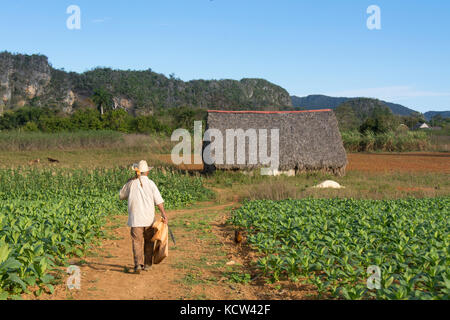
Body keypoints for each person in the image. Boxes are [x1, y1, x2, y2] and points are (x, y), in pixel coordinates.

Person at [119, 160, 168, 274]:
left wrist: (128, 181)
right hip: (149, 219)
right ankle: (147, 264)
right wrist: (163, 214)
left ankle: (138, 265)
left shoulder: (131, 183)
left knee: (137, 242)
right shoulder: (151, 183)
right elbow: (159, 201)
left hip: (136, 219)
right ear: (147, 172)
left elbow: (121, 196)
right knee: (149, 242)